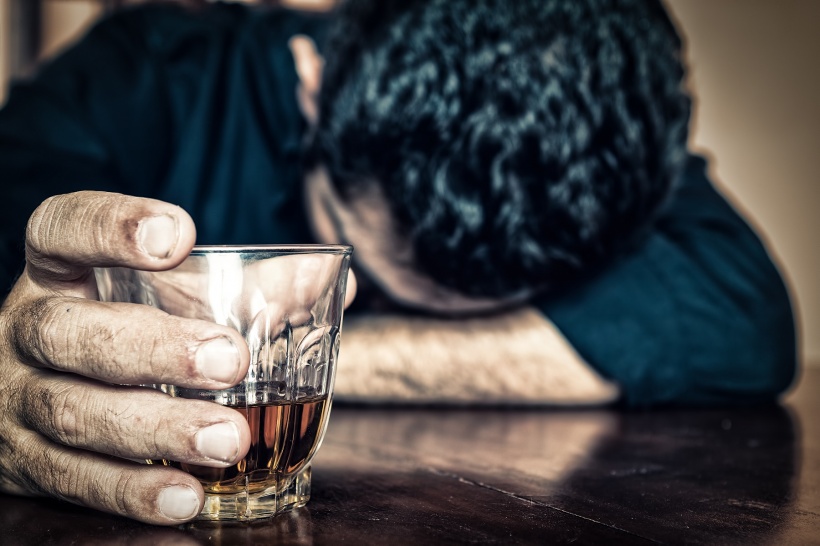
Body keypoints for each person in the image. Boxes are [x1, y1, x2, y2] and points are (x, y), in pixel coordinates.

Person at [0, 0, 795, 526]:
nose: (347, 299)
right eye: (360, 260)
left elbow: (744, 324)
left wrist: (273, 360)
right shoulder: (137, 77)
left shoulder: (594, 137)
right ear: (313, 83)